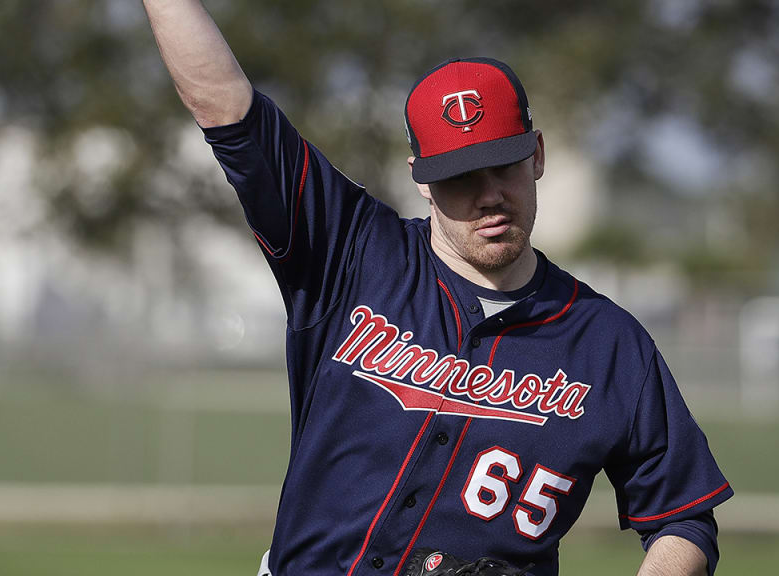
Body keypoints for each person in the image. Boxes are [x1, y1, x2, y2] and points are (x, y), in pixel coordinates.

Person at [142, 2, 732, 575]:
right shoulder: (349, 254)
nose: (488, 195)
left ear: (538, 156)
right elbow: (224, 107)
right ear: (421, 182)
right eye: (458, 177)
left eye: (503, 164)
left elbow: (684, 521)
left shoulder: (610, 346)